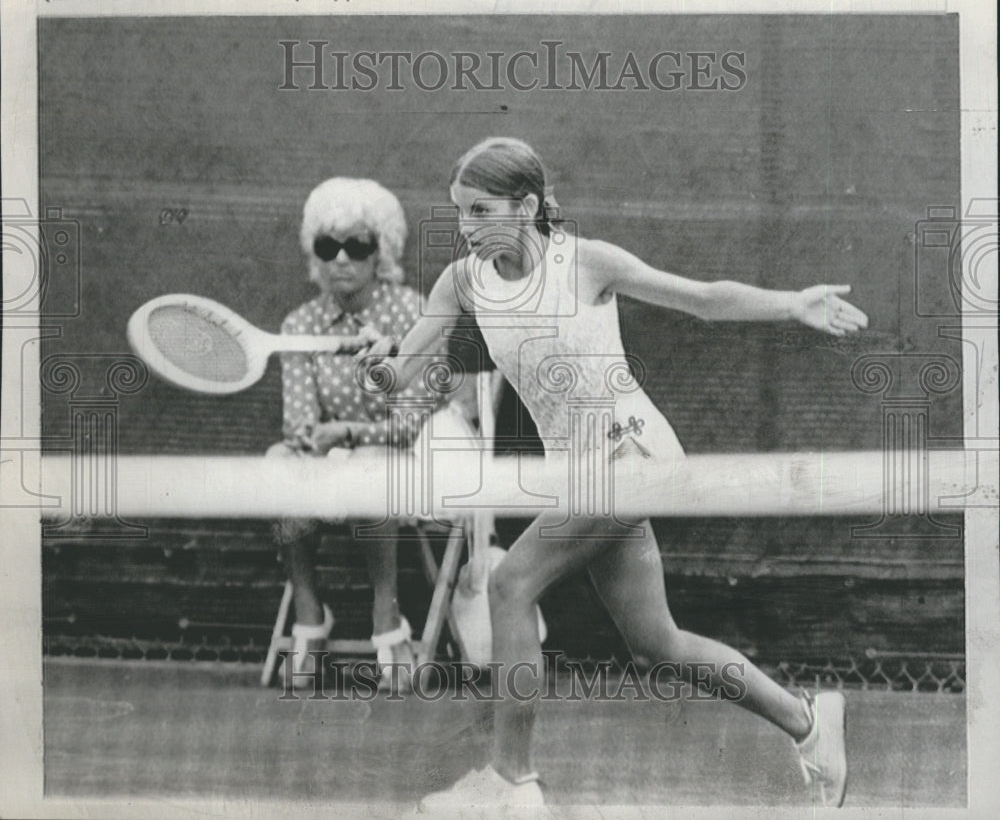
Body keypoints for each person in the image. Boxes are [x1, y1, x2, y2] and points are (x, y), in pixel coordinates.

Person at [365, 138, 869, 810]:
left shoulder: (588, 262)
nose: (466, 226)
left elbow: (703, 299)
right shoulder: (461, 282)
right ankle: (811, 723)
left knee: (511, 583)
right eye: (458, 212)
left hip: (632, 454)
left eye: (480, 210)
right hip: (580, 473)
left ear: (528, 206)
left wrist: (790, 303)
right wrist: (379, 365)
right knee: (656, 642)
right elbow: (402, 373)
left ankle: (511, 780)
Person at [268, 177, 429, 692]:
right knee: (277, 463)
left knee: (371, 466)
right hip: (333, 460)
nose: (341, 259)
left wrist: (348, 434)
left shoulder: (410, 313)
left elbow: (409, 424)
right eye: (328, 246)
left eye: (357, 246)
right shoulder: (300, 323)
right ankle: (310, 618)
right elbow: (298, 421)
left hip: (404, 461)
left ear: (380, 251)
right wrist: (308, 440)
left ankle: (387, 618)